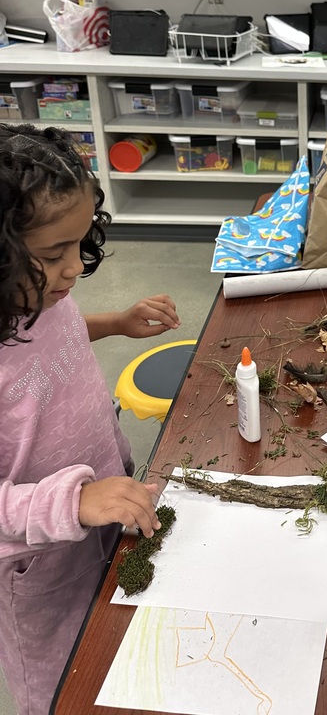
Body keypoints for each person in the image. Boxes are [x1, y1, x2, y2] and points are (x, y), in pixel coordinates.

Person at [0, 124, 182, 715]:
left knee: (119, 650)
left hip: (108, 506)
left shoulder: (39, 295)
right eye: (54, 254)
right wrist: (72, 504)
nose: (74, 268)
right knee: (65, 688)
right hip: (39, 565)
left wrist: (114, 321)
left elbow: (57, 337)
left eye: (80, 244)